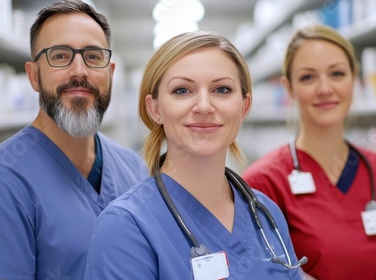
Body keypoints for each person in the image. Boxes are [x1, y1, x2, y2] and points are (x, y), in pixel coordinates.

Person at [83, 30, 305, 279]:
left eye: (221, 89)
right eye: (182, 91)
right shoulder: (125, 227)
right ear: (155, 108)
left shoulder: (267, 213)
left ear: (244, 107)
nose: (204, 107)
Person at [0, 1, 148, 279]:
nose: (79, 71)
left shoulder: (134, 168)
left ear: (110, 73)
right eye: (60, 56)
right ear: (34, 76)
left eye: (93, 56)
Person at [242, 24, 376, 280]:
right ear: (290, 88)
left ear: (354, 78)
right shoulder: (264, 182)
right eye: (308, 77)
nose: (325, 88)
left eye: (337, 74)